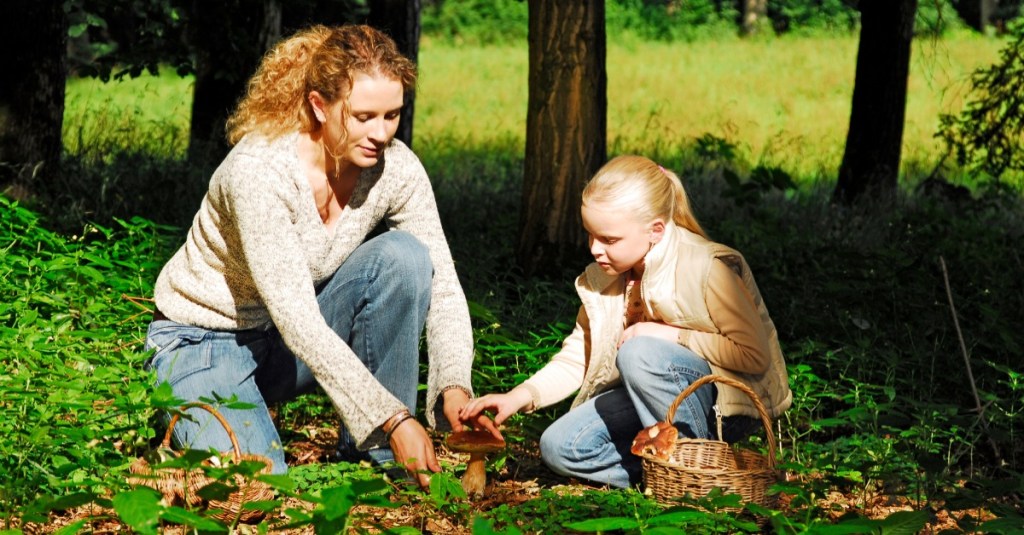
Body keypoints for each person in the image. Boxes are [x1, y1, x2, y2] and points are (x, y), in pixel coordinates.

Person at [144, 24, 494, 488]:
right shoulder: (260, 173)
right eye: (363, 116)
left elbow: (444, 285)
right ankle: (187, 411)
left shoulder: (396, 168)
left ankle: (378, 457)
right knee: (260, 488)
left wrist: (455, 388)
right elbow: (298, 318)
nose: (381, 133)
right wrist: (393, 417)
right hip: (202, 342)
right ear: (319, 106)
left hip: (281, 343)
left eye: (392, 115)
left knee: (405, 258)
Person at [460, 155, 792, 488]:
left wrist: (670, 334)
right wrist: (519, 396)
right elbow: (580, 355)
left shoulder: (706, 269)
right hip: (647, 400)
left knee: (639, 351)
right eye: (590, 235)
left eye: (609, 240)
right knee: (560, 448)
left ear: (655, 231)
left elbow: (753, 355)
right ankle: (663, 475)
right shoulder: (605, 278)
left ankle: (694, 474)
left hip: (720, 407)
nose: (595, 249)